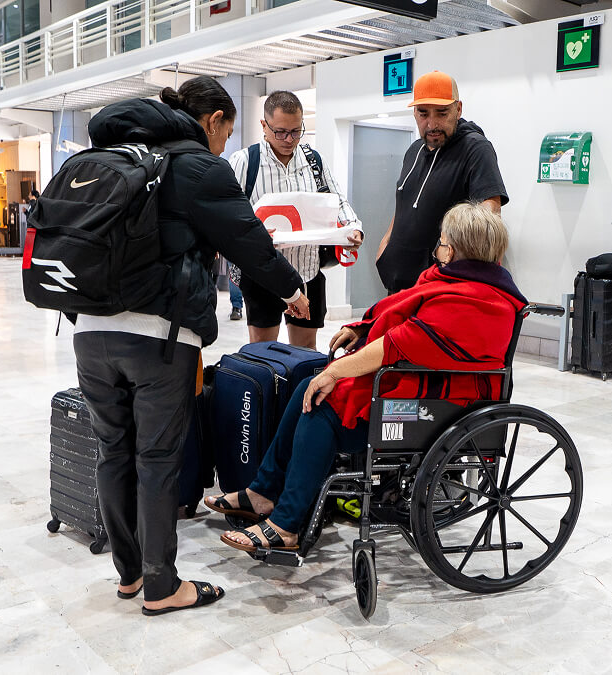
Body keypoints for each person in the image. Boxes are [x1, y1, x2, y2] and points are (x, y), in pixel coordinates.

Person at [74, 79, 310, 616]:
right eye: (228, 129)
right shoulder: (200, 166)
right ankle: (162, 586)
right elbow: (248, 239)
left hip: (90, 330)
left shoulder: (117, 157)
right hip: (157, 335)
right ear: (215, 120)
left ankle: (130, 576)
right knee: (157, 459)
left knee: (114, 451)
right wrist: (291, 290)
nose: (226, 141)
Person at [205, 202, 525, 553]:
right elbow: (402, 314)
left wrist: (337, 371)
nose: (439, 248)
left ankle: (287, 525)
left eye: (444, 242)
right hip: (421, 383)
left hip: (439, 403)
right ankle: (262, 493)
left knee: (322, 409)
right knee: (305, 389)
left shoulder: (476, 300)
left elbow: (401, 343)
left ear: (459, 249)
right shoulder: (455, 281)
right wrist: (363, 327)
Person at [227, 90, 363, 348]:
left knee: (305, 352)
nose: (289, 139)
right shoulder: (245, 162)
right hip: (262, 275)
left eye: (296, 131)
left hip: (307, 271)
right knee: (263, 351)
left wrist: (353, 227)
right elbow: (231, 217)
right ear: (264, 126)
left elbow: (337, 199)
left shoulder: (312, 160)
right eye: (280, 132)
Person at [375, 70, 508, 294]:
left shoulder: (475, 148)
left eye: (442, 113)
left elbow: (490, 217)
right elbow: (405, 202)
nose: (432, 123)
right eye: (423, 113)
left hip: (442, 290)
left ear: (459, 109)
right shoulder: (414, 150)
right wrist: (385, 247)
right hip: (399, 286)